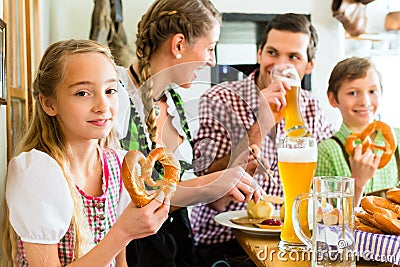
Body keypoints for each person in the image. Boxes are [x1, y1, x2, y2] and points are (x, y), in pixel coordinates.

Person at [113, 0, 264, 266]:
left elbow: (178, 194)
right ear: (179, 44)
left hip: (178, 249)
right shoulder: (116, 96)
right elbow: (125, 199)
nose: (212, 60)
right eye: (210, 48)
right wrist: (209, 185)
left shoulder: (175, 104)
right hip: (133, 253)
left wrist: (223, 183)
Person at [0, 39, 170, 266]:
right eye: (83, 93)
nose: (103, 105)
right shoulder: (38, 174)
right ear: (50, 104)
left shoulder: (118, 165)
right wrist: (124, 232)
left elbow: (120, 263)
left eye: (110, 90)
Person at [190, 13, 335, 265]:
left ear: (309, 65)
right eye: (272, 53)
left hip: (292, 239)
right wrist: (261, 124)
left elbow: (320, 178)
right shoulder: (221, 99)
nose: (280, 64)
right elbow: (211, 198)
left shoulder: (311, 108)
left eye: (293, 57)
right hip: (226, 244)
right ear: (259, 54)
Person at [316, 57, 400, 206]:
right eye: (353, 93)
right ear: (333, 99)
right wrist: (358, 183)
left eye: (372, 91)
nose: (365, 102)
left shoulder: (397, 139)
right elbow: (324, 218)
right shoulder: (326, 151)